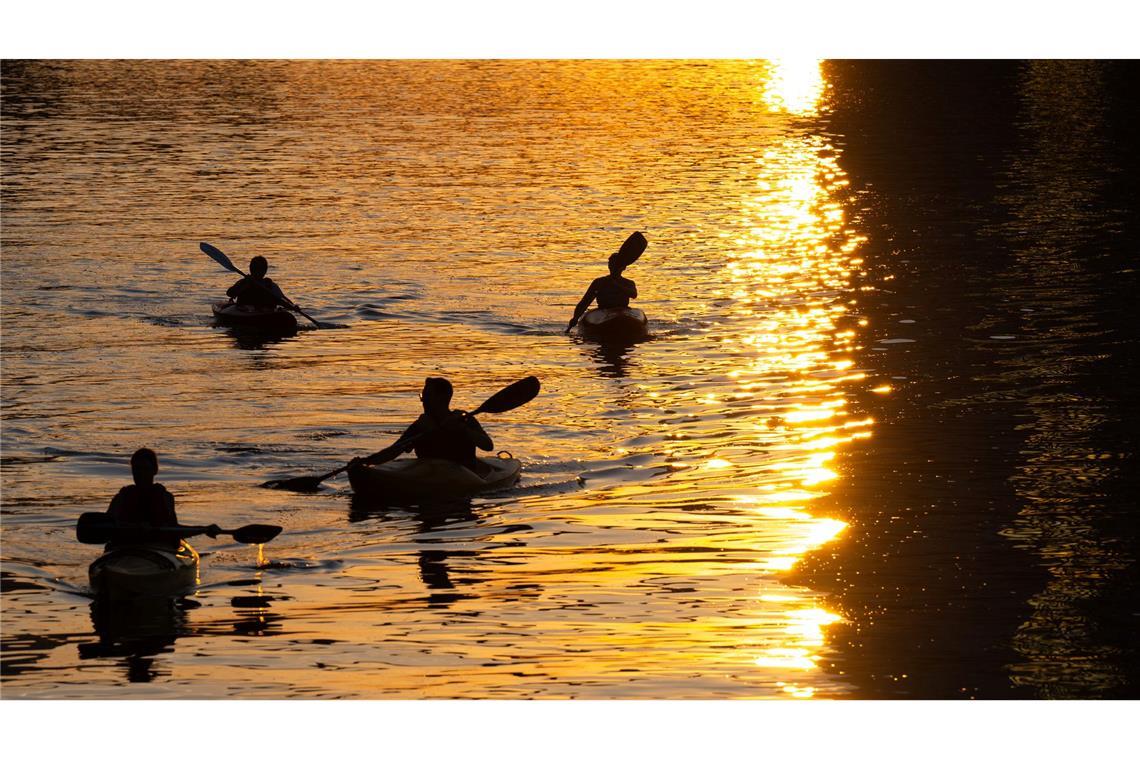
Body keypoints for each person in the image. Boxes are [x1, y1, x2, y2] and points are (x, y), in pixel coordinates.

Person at [350, 377, 493, 474]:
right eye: (422, 396)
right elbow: (395, 450)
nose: (423, 401)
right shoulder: (421, 425)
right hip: (430, 475)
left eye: (427, 396)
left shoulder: (464, 420)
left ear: (442, 398)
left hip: (464, 476)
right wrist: (366, 462)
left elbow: (488, 446)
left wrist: (463, 430)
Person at [105, 448, 217, 548]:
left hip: (158, 547)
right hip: (125, 547)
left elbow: (175, 530)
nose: (140, 474)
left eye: (145, 469)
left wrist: (205, 529)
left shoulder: (165, 497)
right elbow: (106, 525)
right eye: (137, 469)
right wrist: (133, 527)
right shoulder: (121, 497)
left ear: (155, 470)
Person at [565, 233, 643, 333]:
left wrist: (617, 285)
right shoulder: (599, 282)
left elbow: (634, 294)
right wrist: (575, 318)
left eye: (616, 265)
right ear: (609, 266)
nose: (613, 267)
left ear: (623, 267)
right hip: (603, 311)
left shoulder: (628, 283)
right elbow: (585, 302)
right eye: (611, 264)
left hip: (623, 310)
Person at [226, 255, 295, 311]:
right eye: (255, 268)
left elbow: (281, 299)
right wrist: (246, 284)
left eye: (260, 269)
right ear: (250, 269)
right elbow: (230, 293)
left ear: (265, 270)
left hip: (266, 313)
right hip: (246, 312)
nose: (257, 271)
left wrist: (293, 307)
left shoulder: (270, 285)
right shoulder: (243, 282)